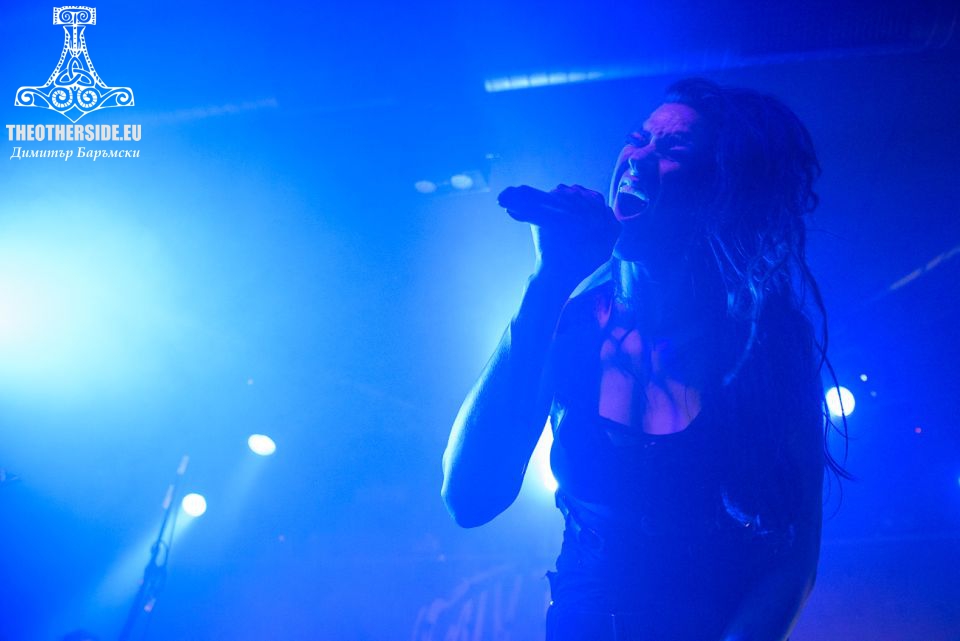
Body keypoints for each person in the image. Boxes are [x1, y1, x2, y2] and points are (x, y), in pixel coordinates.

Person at [441, 78, 847, 641]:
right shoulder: (572, 322)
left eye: (673, 149)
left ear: (719, 191)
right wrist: (549, 277)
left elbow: (792, 560)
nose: (638, 158)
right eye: (637, 139)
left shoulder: (764, 343)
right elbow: (469, 497)